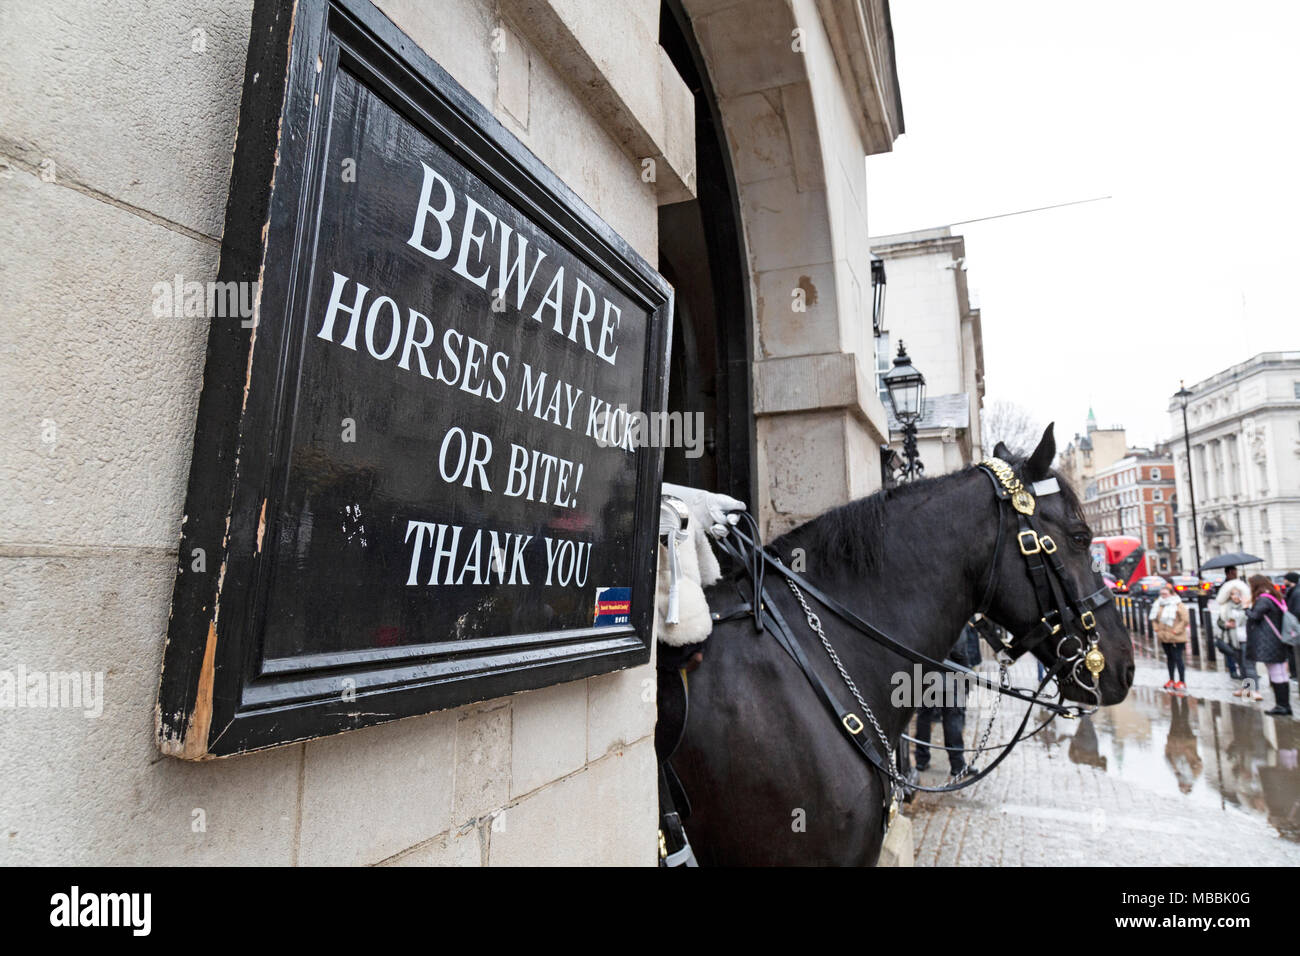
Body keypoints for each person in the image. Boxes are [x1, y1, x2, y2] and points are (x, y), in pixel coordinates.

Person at [914, 621, 981, 777]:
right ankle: (957, 763)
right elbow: (959, 650)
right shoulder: (953, 616)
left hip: (927, 675)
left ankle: (921, 759)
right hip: (949, 677)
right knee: (952, 719)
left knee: (924, 717)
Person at [1246, 574, 1293, 717]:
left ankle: (1282, 706)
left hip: (1270, 641)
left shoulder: (1263, 600)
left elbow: (1255, 616)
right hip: (1278, 640)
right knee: (1282, 674)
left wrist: (1246, 608)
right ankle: (1285, 705)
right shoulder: (1274, 597)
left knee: (1276, 673)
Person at [1218, 567, 1258, 698]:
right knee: (1241, 665)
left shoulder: (1247, 606)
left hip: (1247, 638)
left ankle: (1253, 690)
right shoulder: (1226, 608)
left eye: (1237, 594)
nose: (1235, 597)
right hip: (1234, 639)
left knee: (1249, 665)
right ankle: (1245, 688)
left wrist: (1238, 620)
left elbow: (1252, 618)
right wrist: (1226, 624)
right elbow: (1220, 621)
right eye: (1232, 594)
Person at [1149, 585, 1190, 692]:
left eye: (1165, 594)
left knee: (1178, 658)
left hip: (1177, 637)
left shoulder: (1178, 604)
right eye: (1161, 594)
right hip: (1164, 637)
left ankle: (1182, 681)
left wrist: (1176, 631)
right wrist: (1156, 628)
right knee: (1169, 658)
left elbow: (1185, 620)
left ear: (1171, 594)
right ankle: (1171, 679)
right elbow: (1154, 618)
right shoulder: (1159, 604)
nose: (1163, 596)